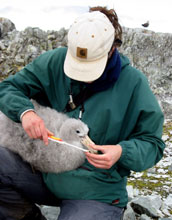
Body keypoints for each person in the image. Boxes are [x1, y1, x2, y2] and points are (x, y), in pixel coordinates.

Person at [0, 6, 165, 220]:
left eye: (91, 66)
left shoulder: (134, 84)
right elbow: (8, 88)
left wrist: (121, 152)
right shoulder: (55, 62)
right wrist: (25, 112)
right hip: (45, 175)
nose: (84, 76)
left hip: (95, 193)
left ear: (112, 49)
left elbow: (153, 143)